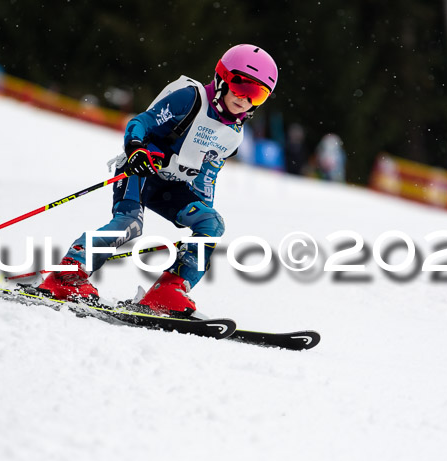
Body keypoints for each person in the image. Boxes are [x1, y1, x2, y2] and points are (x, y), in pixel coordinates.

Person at [37, 44, 278, 316]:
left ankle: (168, 292)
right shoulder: (190, 99)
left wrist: (200, 222)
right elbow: (141, 122)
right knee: (129, 225)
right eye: (240, 85)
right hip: (140, 170)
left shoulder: (233, 135)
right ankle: (66, 276)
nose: (245, 98)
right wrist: (136, 149)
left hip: (170, 186)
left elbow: (208, 176)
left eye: (257, 94)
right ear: (222, 77)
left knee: (212, 224)